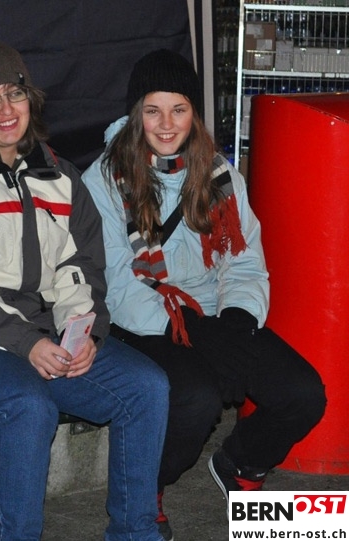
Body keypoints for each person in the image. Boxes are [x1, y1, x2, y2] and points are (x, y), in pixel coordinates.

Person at [0, 39, 170, 541]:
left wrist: (83, 333)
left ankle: (136, 534)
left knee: (146, 387)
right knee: (29, 405)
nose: (6, 109)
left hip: (43, 332)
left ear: (30, 97)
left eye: (14, 93)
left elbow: (81, 265)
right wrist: (27, 343)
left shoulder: (59, 174)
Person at [81, 49, 326, 540]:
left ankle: (240, 463)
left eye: (179, 109)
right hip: (143, 318)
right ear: (136, 113)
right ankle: (147, 486)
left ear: (195, 113)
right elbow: (116, 283)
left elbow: (245, 259)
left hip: (214, 315)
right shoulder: (103, 179)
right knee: (195, 397)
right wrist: (193, 331)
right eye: (153, 110)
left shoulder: (218, 174)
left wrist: (236, 321)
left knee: (303, 394)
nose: (166, 124)